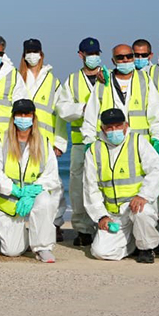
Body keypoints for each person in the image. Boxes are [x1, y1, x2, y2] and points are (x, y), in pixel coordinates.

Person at [84, 108, 159, 263]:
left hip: (137, 205)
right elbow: (90, 188)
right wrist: (101, 216)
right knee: (100, 252)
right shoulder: (94, 150)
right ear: (102, 128)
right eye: (109, 127)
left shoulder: (138, 141)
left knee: (142, 213)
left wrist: (144, 195)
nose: (114, 130)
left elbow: (158, 170)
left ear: (126, 126)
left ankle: (147, 248)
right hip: (113, 213)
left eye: (118, 126)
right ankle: (132, 243)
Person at [0, 99, 62, 262]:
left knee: (45, 201)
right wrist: (15, 190)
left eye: (27, 114)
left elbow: (52, 175)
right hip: (8, 200)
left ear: (33, 117)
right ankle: (14, 235)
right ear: (13, 117)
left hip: (32, 197)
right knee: (12, 251)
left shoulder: (44, 143)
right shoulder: (0, 140)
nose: (23, 117)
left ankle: (43, 247)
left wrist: (33, 190)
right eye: (19, 114)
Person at [57, 36, 109, 246]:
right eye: (89, 54)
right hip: (80, 143)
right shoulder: (72, 80)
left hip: (106, 141)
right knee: (78, 188)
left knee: (105, 185)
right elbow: (62, 108)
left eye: (96, 54)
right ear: (81, 55)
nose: (93, 57)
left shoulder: (109, 77)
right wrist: (83, 109)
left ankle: (104, 226)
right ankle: (83, 229)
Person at [81, 43, 159, 152]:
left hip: (141, 148)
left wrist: (158, 141)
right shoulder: (102, 83)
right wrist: (90, 144)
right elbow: (90, 118)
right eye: (120, 57)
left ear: (133, 57)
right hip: (108, 149)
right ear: (113, 61)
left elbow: (156, 116)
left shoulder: (145, 80)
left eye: (129, 56)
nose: (125, 60)